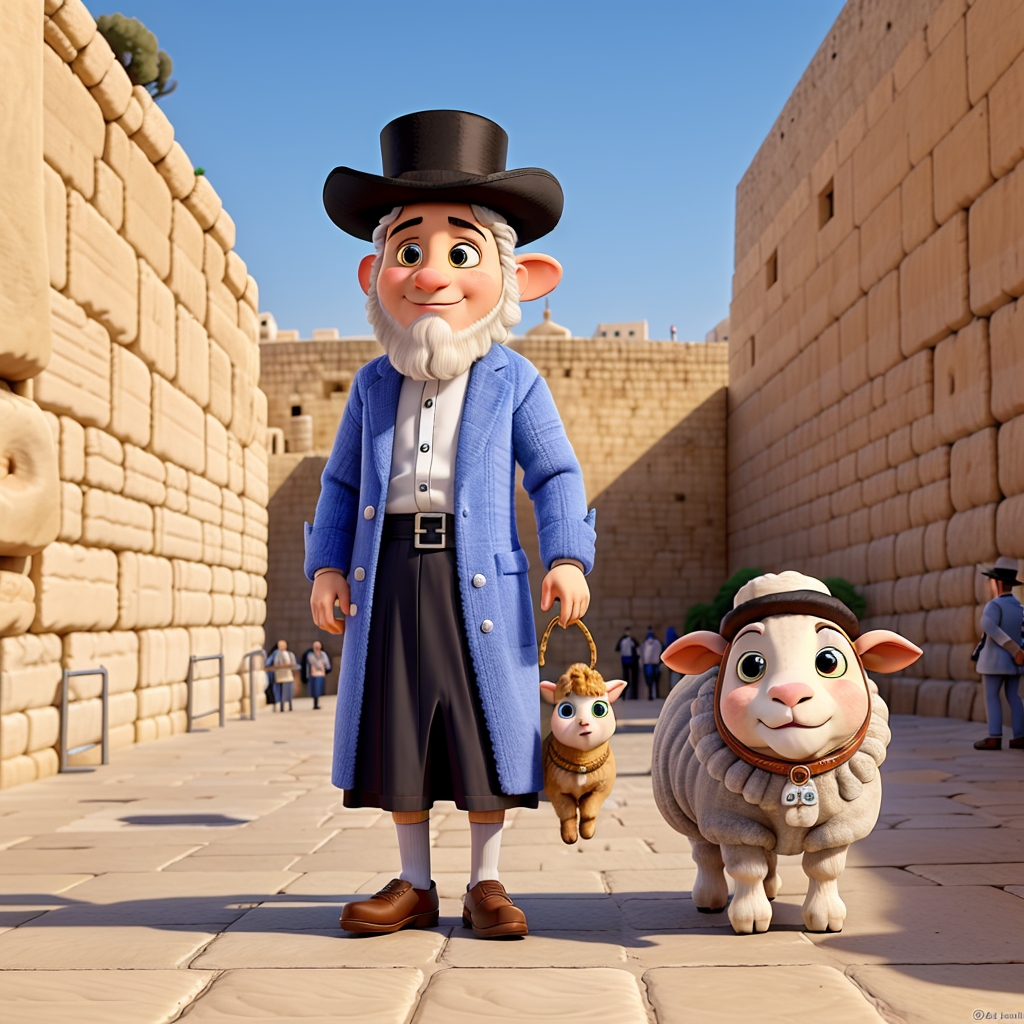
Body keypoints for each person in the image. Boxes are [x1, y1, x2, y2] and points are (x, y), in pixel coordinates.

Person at [306, 111, 595, 939]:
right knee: (396, 722)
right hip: (388, 571)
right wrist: (328, 566)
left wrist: (568, 555)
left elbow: (555, 473)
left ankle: (487, 882)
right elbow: (341, 482)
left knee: (481, 725)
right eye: (409, 250)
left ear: (518, 277)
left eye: (460, 252)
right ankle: (412, 881)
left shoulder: (515, 381)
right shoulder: (370, 385)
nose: (431, 273)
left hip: (483, 582)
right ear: (375, 272)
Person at [973, 557, 1024, 751]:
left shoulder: (994, 606)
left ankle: (994, 736)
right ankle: (1020, 735)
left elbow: (988, 626)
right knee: (1014, 696)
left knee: (992, 696)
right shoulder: (1019, 608)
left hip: (994, 661)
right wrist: (1019, 651)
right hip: (1014, 662)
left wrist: (1012, 648)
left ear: (998, 583)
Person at [265, 639, 297, 712]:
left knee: (288, 692)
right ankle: (281, 706)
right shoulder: (275, 654)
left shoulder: (289, 654)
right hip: (279, 675)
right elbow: (270, 663)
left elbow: (293, 664)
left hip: (288, 675)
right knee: (280, 692)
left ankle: (289, 705)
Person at [301, 640, 332, 710]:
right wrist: (320, 664)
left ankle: (317, 703)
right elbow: (314, 663)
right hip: (314, 675)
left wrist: (322, 665)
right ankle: (315, 704)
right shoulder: (310, 655)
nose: (317, 647)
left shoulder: (323, 654)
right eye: (316, 646)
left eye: (318, 646)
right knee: (315, 690)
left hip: (321, 674)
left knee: (320, 690)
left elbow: (327, 663)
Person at [615, 627, 640, 699]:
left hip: (632, 661)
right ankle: (624, 695)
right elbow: (617, 648)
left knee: (633, 678)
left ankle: (633, 695)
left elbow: (637, 647)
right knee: (626, 678)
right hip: (625, 660)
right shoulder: (623, 640)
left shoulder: (632, 640)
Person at [640, 627, 663, 700]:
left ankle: (650, 695)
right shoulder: (657, 643)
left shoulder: (645, 643)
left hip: (648, 664)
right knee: (655, 680)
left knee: (650, 680)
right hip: (655, 663)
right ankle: (656, 694)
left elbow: (642, 654)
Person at [664, 625, 682, 690]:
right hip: (677, 662)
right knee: (676, 676)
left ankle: (671, 689)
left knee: (671, 677)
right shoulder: (677, 640)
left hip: (669, 662)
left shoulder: (667, 642)